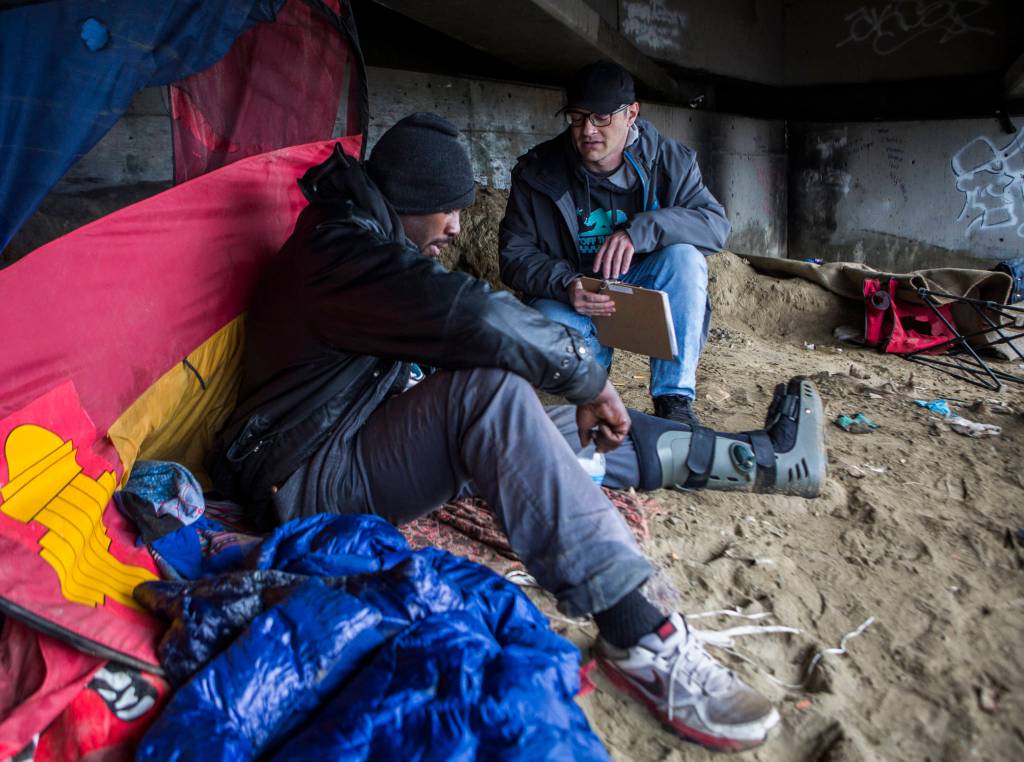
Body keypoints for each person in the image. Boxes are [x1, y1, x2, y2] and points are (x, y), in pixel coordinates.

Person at [208, 113, 827, 752]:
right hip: (302, 478)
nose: (454, 227)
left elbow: (452, 324)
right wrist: (588, 377)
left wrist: (578, 397)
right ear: (408, 201)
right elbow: (469, 311)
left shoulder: (363, 238)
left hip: (350, 435)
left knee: (535, 420)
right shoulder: (344, 253)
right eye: (446, 210)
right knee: (492, 397)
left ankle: (758, 458)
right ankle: (640, 634)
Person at [500, 60, 729, 427]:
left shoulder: (670, 161)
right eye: (577, 118)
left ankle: (674, 401)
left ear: (631, 113)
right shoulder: (538, 171)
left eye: (601, 118)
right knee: (549, 347)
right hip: (573, 296)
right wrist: (566, 284)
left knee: (686, 260)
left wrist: (641, 231)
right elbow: (514, 255)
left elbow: (715, 226)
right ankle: (592, 379)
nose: (587, 130)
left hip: (644, 287)